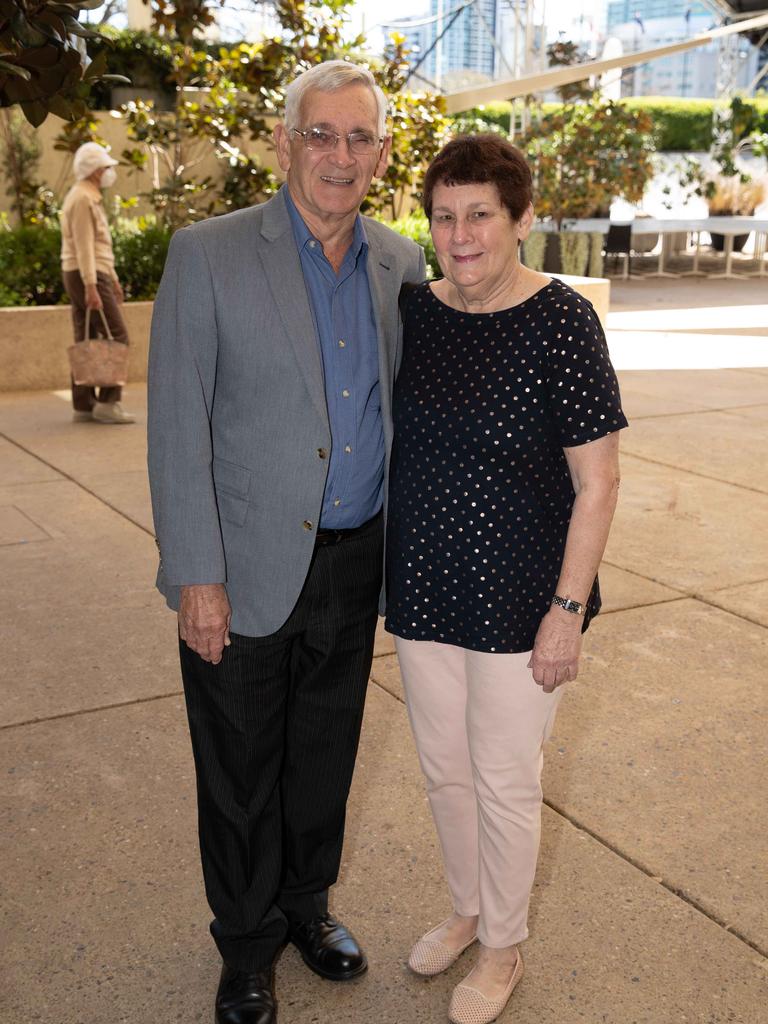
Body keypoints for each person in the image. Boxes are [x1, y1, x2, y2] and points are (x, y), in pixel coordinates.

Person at [147, 61, 425, 1024]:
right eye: (321, 134)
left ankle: (307, 905)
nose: (339, 156)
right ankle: (247, 941)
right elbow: (177, 425)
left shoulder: (400, 263)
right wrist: (196, 576)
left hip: (357, 559)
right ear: (284, 143)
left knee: (324, 754)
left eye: (359, 138)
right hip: (245, 564)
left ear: (381, 154)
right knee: (236, 767)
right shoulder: (209, 253)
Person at [385, 134, 628, 1024]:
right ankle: (465, 908)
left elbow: (597, 481)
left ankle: (503, 946)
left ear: (521, 219)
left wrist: (567, 611)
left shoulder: (561, 320)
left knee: (503, 774)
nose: (460, 235)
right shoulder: (417, 311)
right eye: (444, 216)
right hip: (423, 587)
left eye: (480, 214)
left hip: (523, 598)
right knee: (445, 770)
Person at [60, 142, 135, 424]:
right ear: (93, 171)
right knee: (118, 337)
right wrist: (92, 285)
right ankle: (107, 403)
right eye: (105, 167)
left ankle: (84, 404)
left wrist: (111, 279)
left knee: (87, 338)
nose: (108, 172)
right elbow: (85, 246)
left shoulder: (86, 196)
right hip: (87, 274)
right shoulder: (82, 199)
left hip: (86, 273)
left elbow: (96, 246)